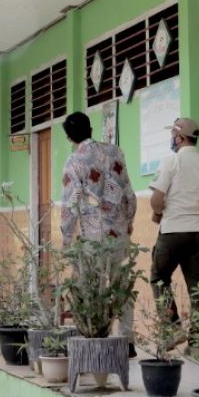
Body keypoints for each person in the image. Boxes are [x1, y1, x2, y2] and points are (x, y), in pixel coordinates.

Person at [59, 111, 138, 351]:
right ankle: (127, 340)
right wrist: (128, 220)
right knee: (121, 285)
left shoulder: (74, 162)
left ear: (69, 137)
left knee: (90, 287)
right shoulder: (115, 153)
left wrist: (66, 237)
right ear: (91, 129)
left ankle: (95, 339)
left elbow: (70, 204)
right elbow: (129, 193)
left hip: (92, 236)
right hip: (118, 233)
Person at [148, 117, 199, 347]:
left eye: (173, 135)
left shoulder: (171, 162)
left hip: (173, 231)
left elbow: (157, 198)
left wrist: (158, 213)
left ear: (179, 138)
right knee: (198, 287)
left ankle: (173, 329)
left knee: (159, 278)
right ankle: (198, 344)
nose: (171, 140)